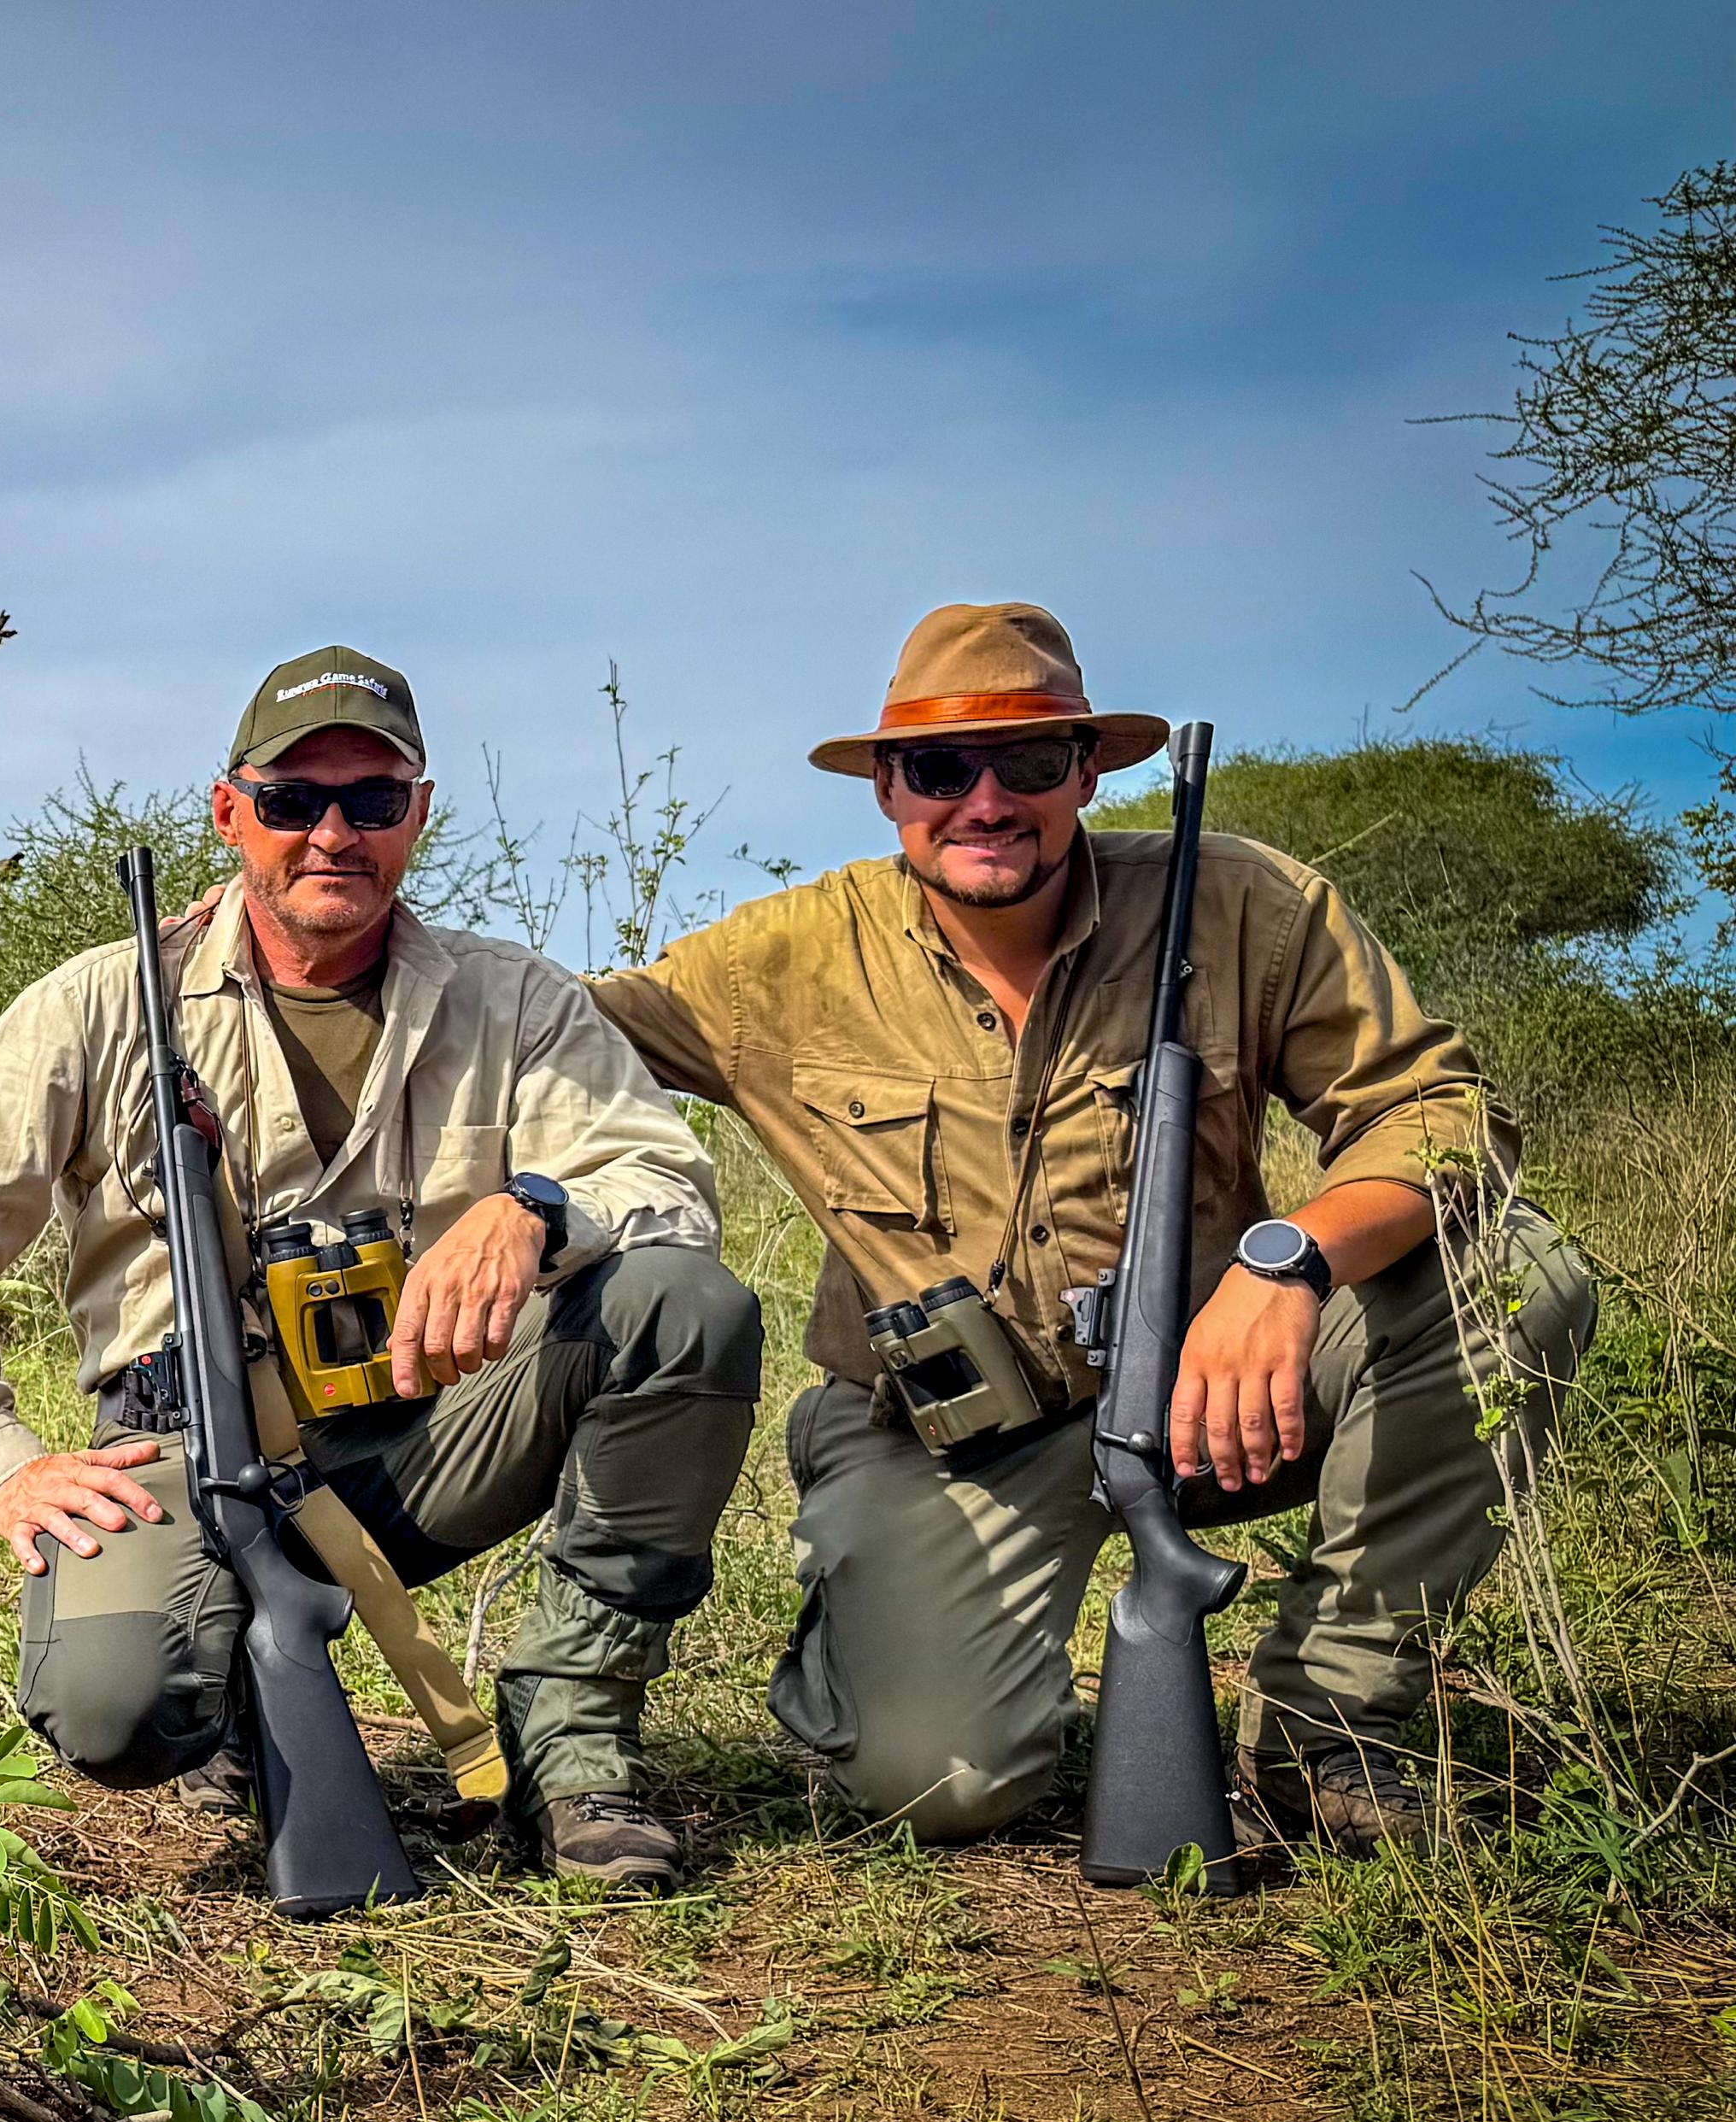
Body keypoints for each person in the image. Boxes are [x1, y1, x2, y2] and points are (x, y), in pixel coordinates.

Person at [589, 602, 1595, 1854]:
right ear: (888, 787)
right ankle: (885, 1632)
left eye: (1029, 763)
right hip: (943, 1434)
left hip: (1212, 1396)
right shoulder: (780, 958)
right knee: (934, 1786)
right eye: (943, 769)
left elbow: (1440, 1114)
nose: (987, 803)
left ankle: (1332, 1715)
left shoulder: (1240, 902)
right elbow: (552, 1034)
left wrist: (1287, 1263)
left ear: (1089, 769)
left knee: (1514, 1277)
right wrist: (327, 912)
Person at [0, 646, 764, 1891]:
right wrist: (0, 1461)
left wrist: (535, 1210)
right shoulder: (103, 1003)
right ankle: (223, 1679)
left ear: (419, 815)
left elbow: (670, 1192)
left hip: (426, 1438)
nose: (333, 832)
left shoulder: (518, 1001)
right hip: (189, 1460)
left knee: (682, 1308)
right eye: (293, 801)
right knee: (116, 1708)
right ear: (231, 813)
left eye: (372, 800)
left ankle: (572, 1743)